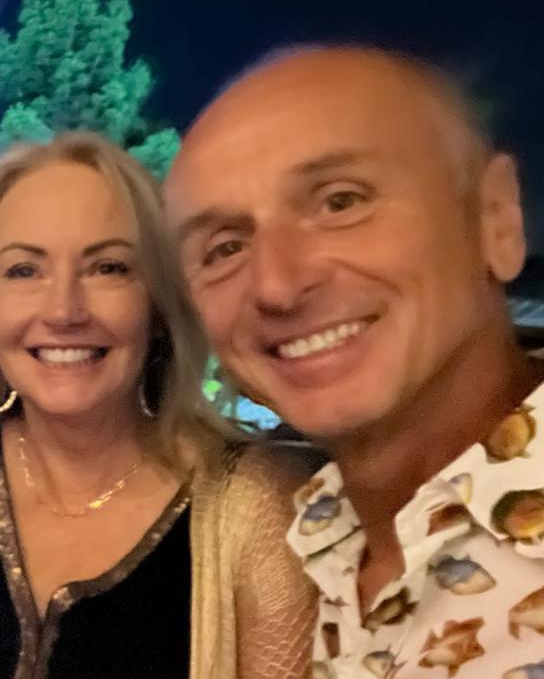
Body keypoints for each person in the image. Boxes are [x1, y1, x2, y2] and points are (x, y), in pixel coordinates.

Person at [0, 132, 319, 679]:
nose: (65, 310)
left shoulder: (258, 508)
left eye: (108, 268)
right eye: (24, 270)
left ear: (159, 304)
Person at [164, 45, 544, 678]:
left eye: (341, 202)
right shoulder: (323, 536)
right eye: (225, 247)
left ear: (496, 219)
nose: (278, 286)